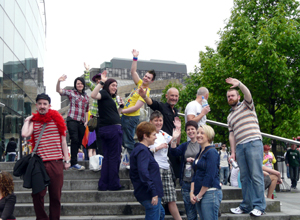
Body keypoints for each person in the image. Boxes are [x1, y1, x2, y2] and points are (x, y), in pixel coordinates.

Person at [21, 93, 70, 220]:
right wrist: (28, 120)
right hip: (39, 164)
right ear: (36, 105)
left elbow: (64, 142)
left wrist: (67, 159)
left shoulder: (58, 119)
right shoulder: (34, 121)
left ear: (49, 106)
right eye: (40, 104)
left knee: (55, 196)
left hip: (56, 162)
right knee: (37, 195)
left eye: (45, 104)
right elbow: (24, 133)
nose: (42, 106)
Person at [226, 77, 266, 217]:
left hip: (253, 142)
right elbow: (232, 135)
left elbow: (248, 94)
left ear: (238, 96)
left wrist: (240, 84)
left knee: (256, 175)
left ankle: (259, 206)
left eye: (233, 95)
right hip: (240, 146)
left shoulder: (247, 105)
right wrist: (233, 152)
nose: (230, 98)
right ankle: (246, 205)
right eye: (228, 96)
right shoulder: (229, 117)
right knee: (244, 178)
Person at [90, 71, 124, 191]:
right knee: (114, 158)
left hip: (109, 128)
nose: (115, 87)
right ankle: (114, 184)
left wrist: (120, 108)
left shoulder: (109, 98)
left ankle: (104, 184)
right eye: (112, 85)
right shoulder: (103, 93)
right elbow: (93, 95)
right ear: (107, 85)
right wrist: (102, 82)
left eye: (116, 85)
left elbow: (116, 116)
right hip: (112, 130)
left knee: (108, 157)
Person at [138, 87, 181, 176]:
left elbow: (177, 140)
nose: (174, 98)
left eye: (176, 96)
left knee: (175, 173)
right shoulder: (162, 107)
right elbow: (152, 103)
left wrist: (178, 130)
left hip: (170, 144)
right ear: (166, 96)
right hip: (159, 146)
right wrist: (144, 96)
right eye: (172, 95)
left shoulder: (175, 112)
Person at [121, 49, 155, 155]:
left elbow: (136, 107)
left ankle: (133, 160)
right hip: (126, 115)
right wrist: (135, 57)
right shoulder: (139, 83)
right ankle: (129, 159)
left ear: (151, 81)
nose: (145, 78)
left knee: (128, 141)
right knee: (124, 140)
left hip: (131, 117)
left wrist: (122, 111)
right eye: (145, 76)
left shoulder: (146, 91)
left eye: (148, 78)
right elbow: (133, 72)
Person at [148, 111, 182, 220]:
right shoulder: (148, 134)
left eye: (160, 120)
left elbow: (174, 143)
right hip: (155, 168)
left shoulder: (163, 133)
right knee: (156, 199)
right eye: (156, 120)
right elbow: (143, 150)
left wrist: (177, 131)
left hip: (166, 167)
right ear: (150, 122)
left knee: (171, 199)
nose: (158, 123)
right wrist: (157, 148)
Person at [129, 121, 165, 220]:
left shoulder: (142, 150)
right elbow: (143, 172)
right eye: (153, 134)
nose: (156, 137)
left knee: (161, 213)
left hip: (148, 192)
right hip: (148, 194)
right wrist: (153, 192)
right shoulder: (142, 151)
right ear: (145, 136)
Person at [56, 75, 89, 170]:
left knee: (78, 142)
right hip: (72, 120)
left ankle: (73, 161)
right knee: (74, 139)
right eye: (78, 83)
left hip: (81, 122)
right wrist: (59, 81)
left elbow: (87, 110)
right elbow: (59, 90)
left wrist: (86, 121)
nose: (80, 85)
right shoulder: (72, 93)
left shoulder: (86, 96)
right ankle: (73, 162)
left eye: (81, 83)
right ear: (75, 85)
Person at [190, 125, 222, 220]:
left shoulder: (212, 152)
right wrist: (192, 193)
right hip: (200, 193)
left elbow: (210, 175)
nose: (198, 135)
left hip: (210, 192)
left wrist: (199, 196)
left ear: (208, 136)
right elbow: (195, 174)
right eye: (198, 133)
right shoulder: (200, 153)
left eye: (202, 133)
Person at [170, 120, 199, 220]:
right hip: (186, 181)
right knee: (190, 213)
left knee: (203, 211)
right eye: (188, 130)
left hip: (200, 182)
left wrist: (194, 160)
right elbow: (174, 152)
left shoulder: (202, 144)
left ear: (197, 130)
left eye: (192, 129)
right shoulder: (185, 145)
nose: (190, 131)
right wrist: (174, 137)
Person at [84, 63, 105, 155]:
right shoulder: (95, 88)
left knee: (103, 138)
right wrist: (87, 71)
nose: (98, 82)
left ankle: (102, 157)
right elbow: (87, 82)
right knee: (95, 139)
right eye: (96, 80)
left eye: (99, 79)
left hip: (104, 118)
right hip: (95, 117)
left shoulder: (108, 90)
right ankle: (97, 159)